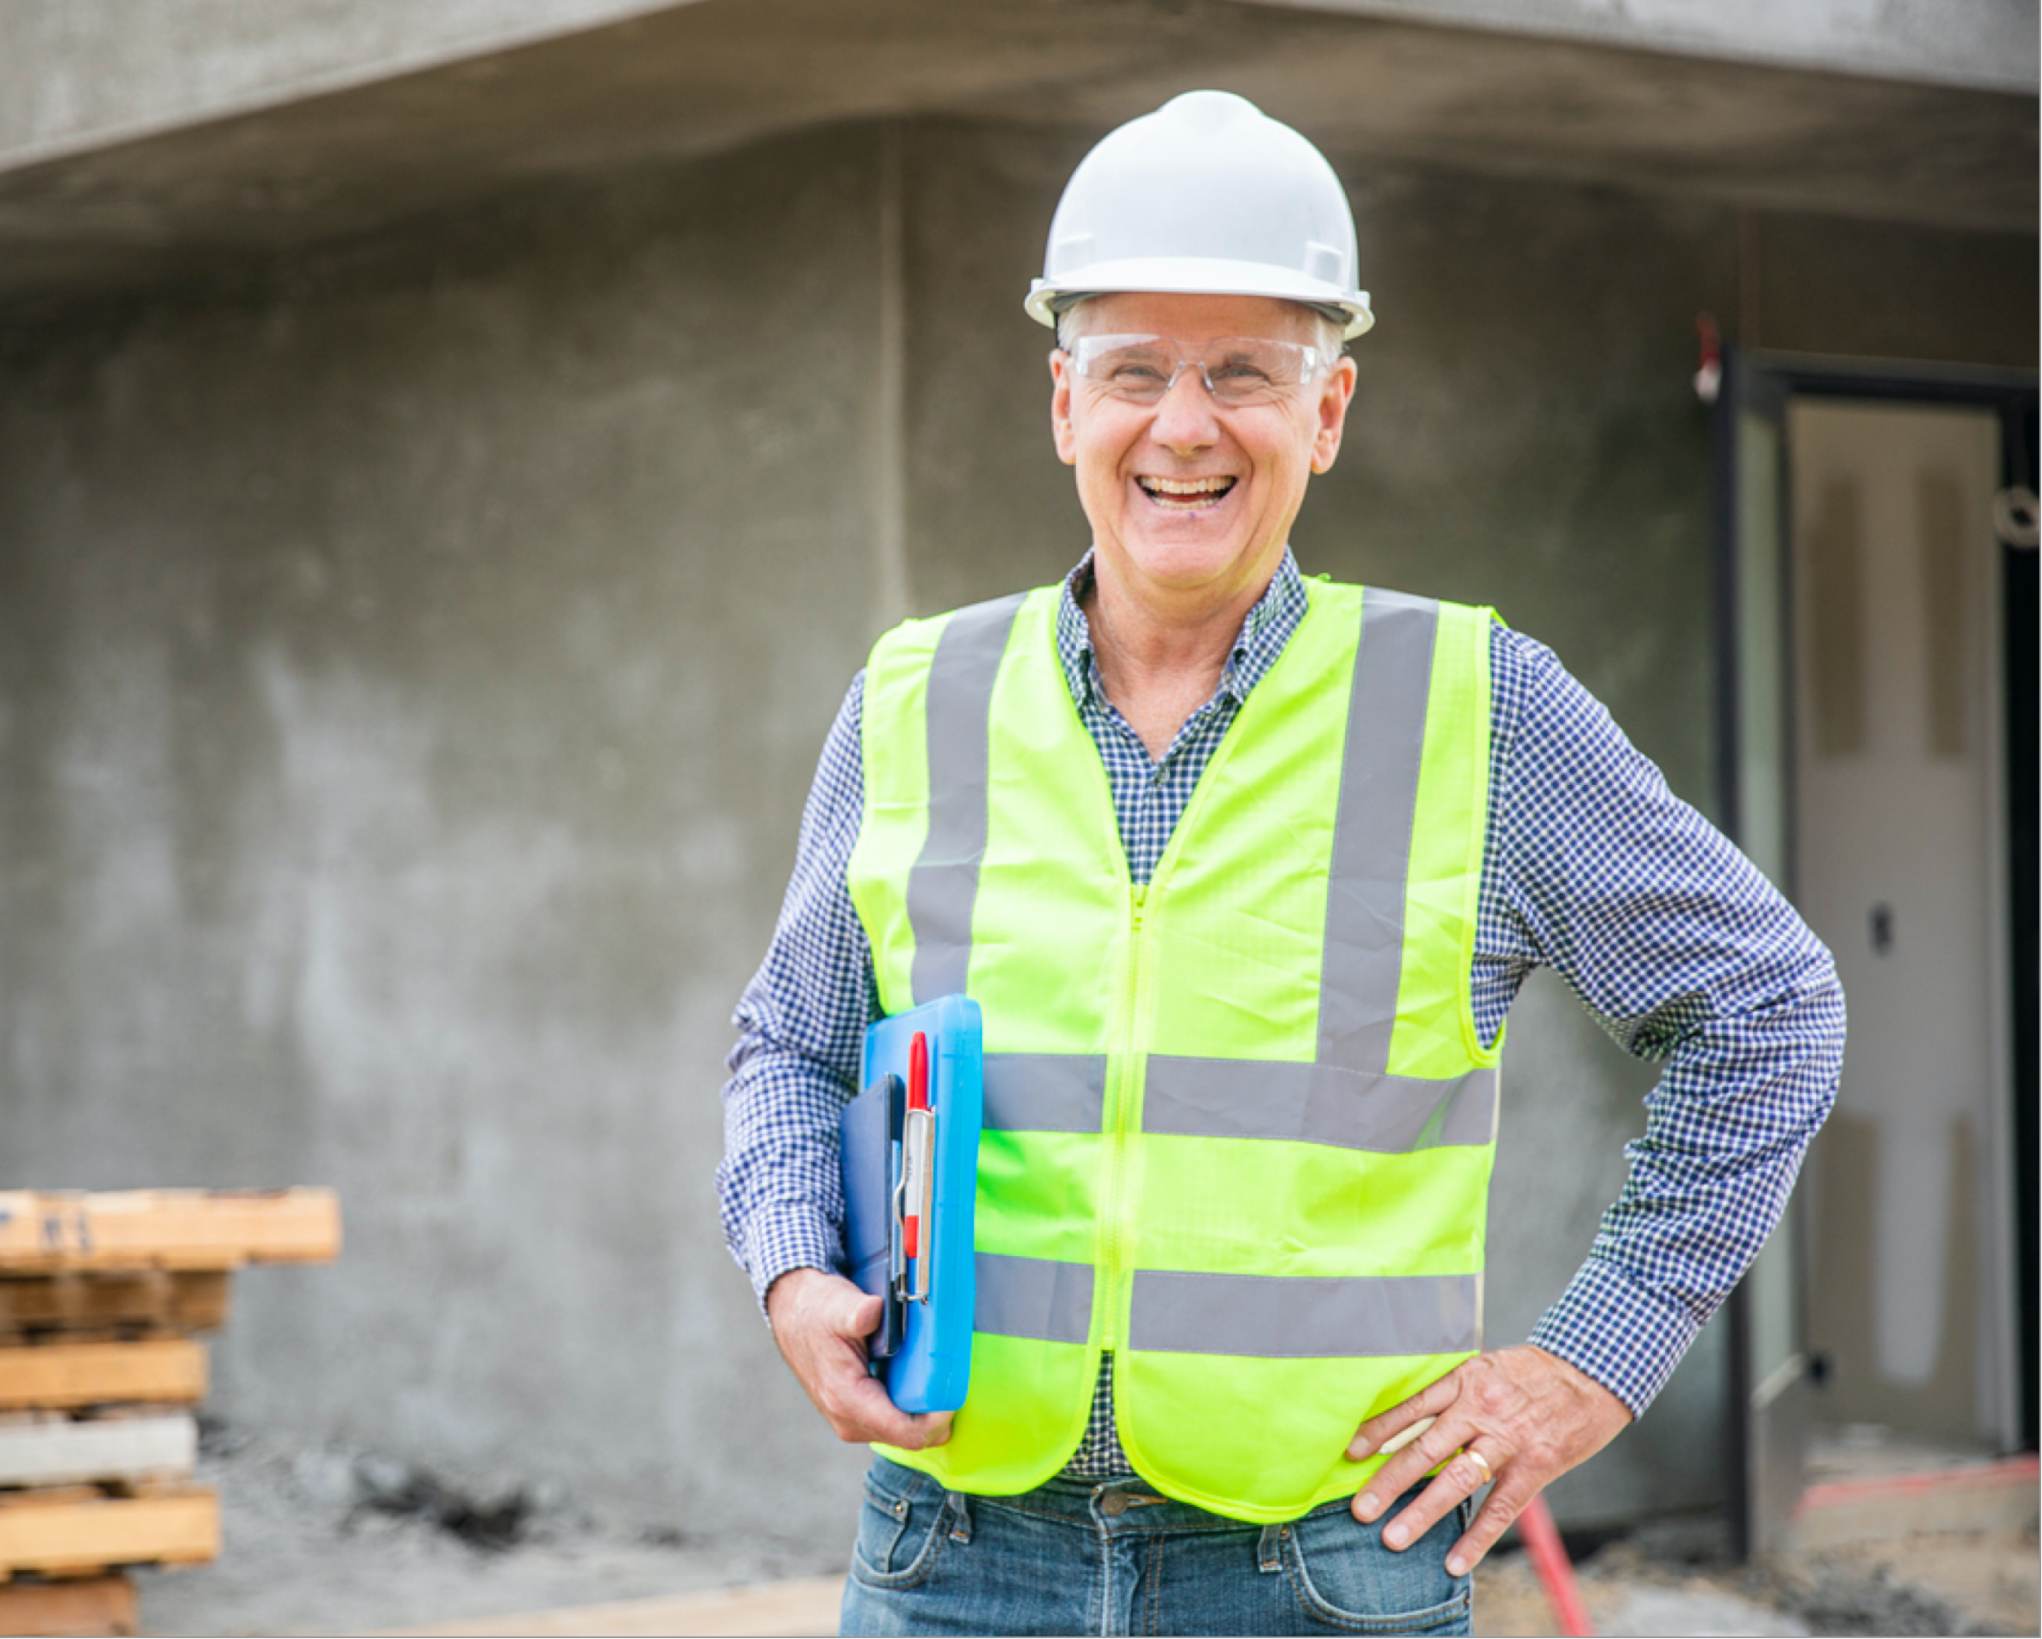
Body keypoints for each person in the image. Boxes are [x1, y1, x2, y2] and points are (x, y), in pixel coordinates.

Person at [715, 91, 1842, 1638]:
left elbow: (1766, 1008)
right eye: (1134, 373)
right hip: (954, 1558)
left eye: (1243, 371)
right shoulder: (913, 697)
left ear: (1326, 410)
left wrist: (1591, 1362)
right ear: (1063, 403)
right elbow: (786, 1041)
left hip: (1322, 1569)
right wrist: (791, 1272)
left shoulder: (1477, 705)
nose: (1183, 426)